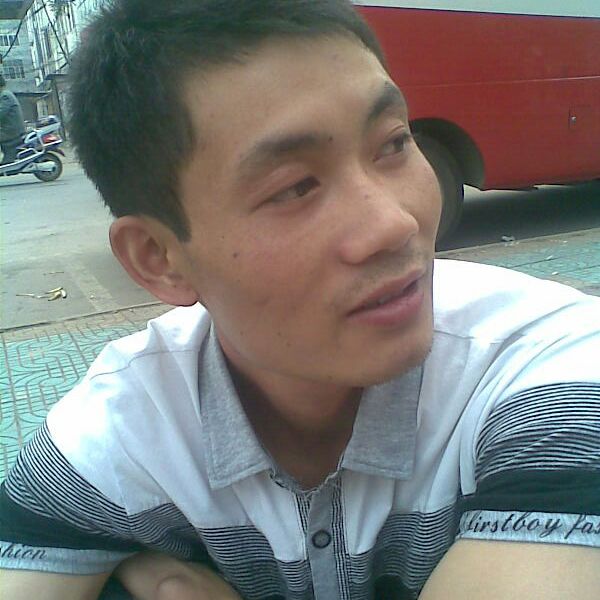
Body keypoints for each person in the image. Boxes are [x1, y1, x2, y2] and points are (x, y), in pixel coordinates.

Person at [1, 1, 599, 598]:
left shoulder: (550, 371)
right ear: (159, 257)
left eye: (394, 143)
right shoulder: (125, 435)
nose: (394, 224)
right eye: (294, 188)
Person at [0, 73, 26, 164]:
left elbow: (1, 113)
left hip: (11, 131)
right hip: (10, 129)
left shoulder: (5, 96)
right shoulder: (5, 94)